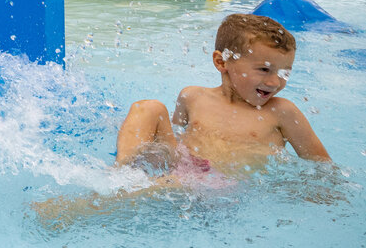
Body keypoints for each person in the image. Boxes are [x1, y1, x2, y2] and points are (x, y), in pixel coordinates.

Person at [115, 12, 330, 173]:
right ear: (221, 61)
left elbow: (322, 167)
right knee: (148, 107)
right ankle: (121, 174)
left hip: (224, 186)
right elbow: (174, 142)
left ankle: (123, 191)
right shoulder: (192, 97)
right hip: (183, 170)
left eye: (284, 73)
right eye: (264, 70)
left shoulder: (282, 112)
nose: (275, 82)